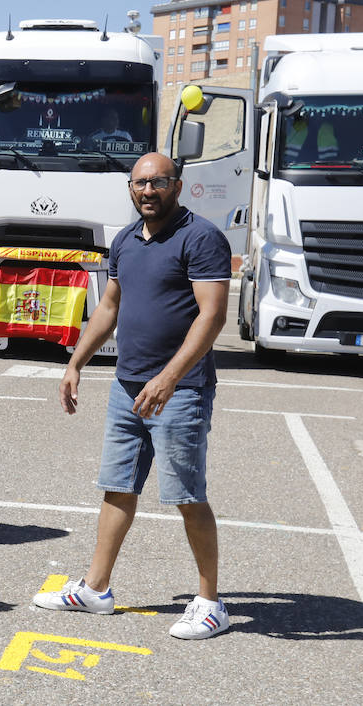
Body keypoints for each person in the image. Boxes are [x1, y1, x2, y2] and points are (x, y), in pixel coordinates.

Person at [31, 152, 233, 640]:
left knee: (187, 495)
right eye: (140, 183)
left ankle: (210, 602)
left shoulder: (201, 238)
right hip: (127, 387)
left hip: (179, 391)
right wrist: (75, 362)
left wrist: (168, 378)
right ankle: (96, 589)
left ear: (177, 187)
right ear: (130, 188)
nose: (148, 191)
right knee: (117, 487)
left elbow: (212, 316)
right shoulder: (124, 240)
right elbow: (110, 305)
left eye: (159, 182)